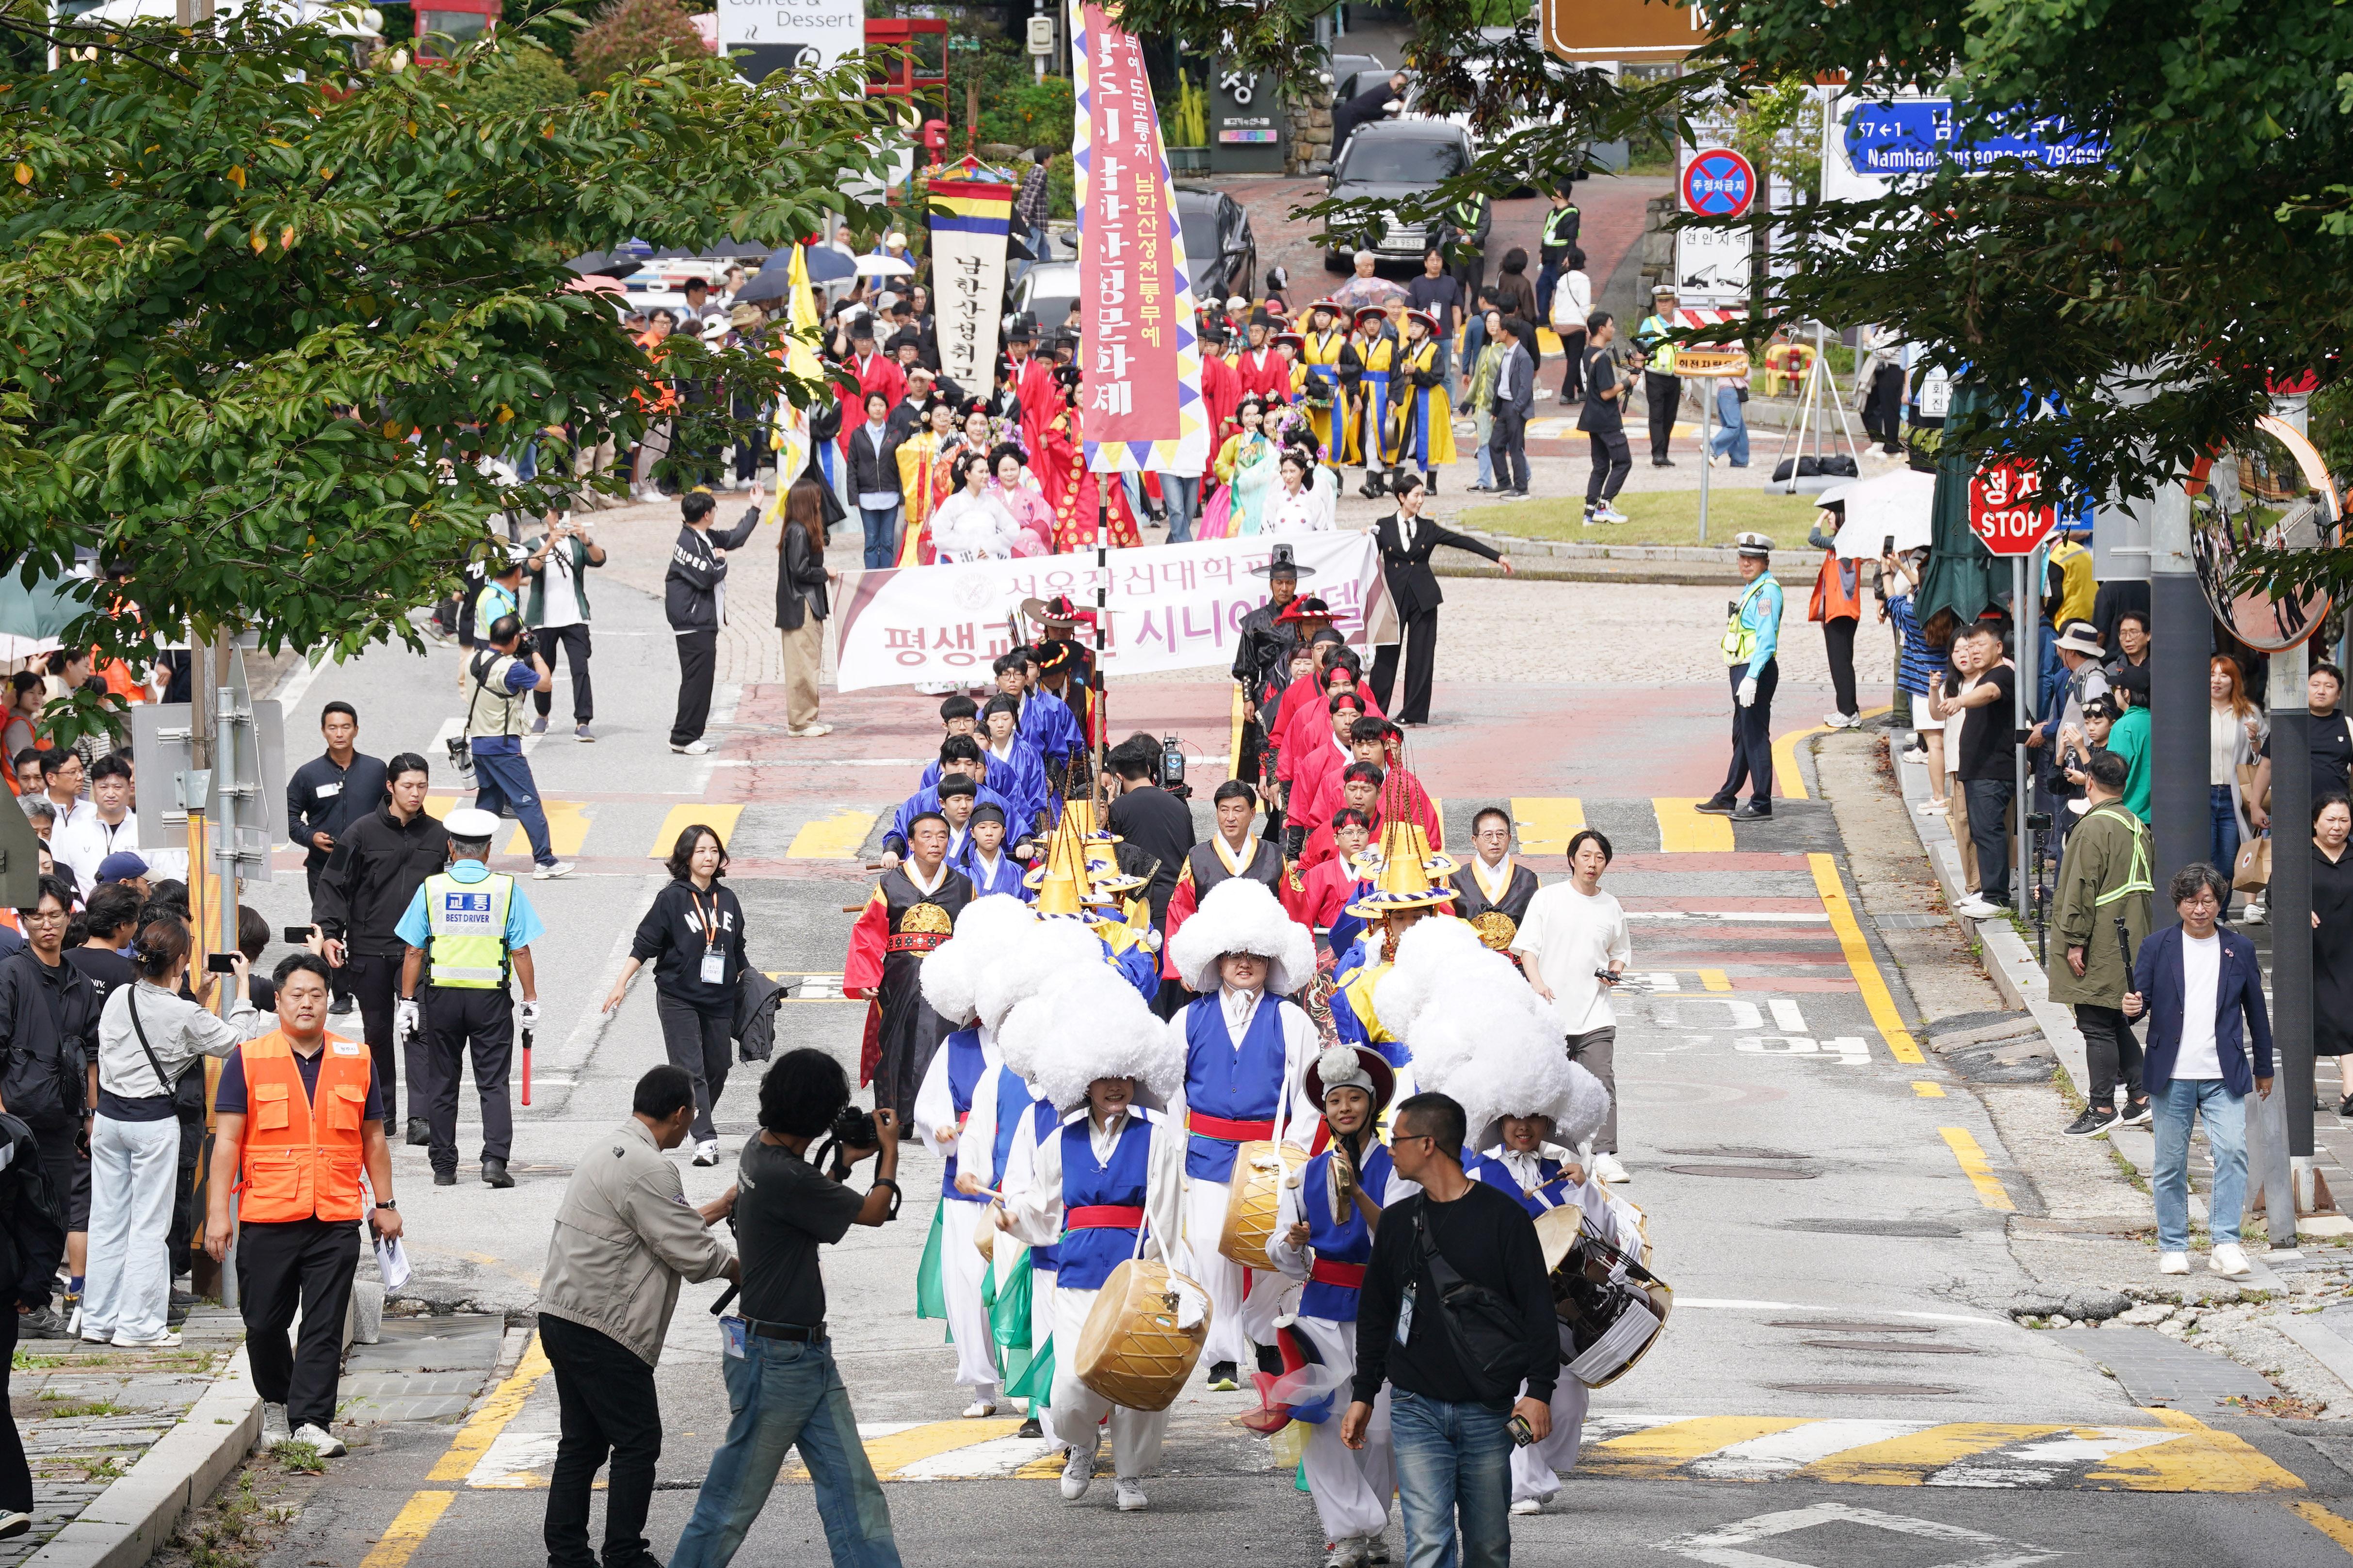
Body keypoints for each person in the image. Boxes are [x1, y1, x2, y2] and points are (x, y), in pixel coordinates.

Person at [669, 1051, 903, 1568]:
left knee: (855, 1495)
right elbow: (875, 1210)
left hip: (802, 1356)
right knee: (729, 1506)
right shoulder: (788, 1177)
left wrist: (842, 1163)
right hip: (776, 1362)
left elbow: (810, 1201)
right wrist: (888, 1152)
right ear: (822, 1116)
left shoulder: (760, 1151)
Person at [996, 973, 1187, 1514]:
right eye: (1104, 1076)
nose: (1116, 1086)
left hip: (1133, 1278)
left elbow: (1168, 1218)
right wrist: (1011, 1218)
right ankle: (1081, 1444)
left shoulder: (1158, 1141)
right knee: (1071, 1385)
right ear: (1083, 1080)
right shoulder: (1059, 1141)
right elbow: (1042, 1210)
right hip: (1076, 1276)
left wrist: (1154, 1279)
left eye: (1124, 1075)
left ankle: (1129, 1475)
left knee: (1135, 1382)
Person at [1343, 1091, 1557, 1568]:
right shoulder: (1398, 1223)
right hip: (1414, 1406)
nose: (1389, 1149)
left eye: (1396, 1139)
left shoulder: (1504, 1220)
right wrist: (1363, 1393)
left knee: (1487, 1545)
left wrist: (1539, 1391)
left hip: (1487, 1410)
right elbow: (1377, 1313)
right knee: (1428, 1542)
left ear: (1427, 1144)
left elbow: (1538, 1310)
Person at [537, 1065, 739, 1568]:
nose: (692, 1121)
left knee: (582, 1444)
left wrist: (720, 1205)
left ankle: (567, 1555)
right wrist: (744, 1271)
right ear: (679, 1114)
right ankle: (625, 1554)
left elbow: (662, 1225)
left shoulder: (610, 1148)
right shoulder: (651, 1168)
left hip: (563, 1315)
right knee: (637, 1439)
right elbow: (691, 1254)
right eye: (693, 1113)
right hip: (603, 1326)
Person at [205, 952, 403, 1456]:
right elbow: (226, 1142)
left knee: (322, 1324)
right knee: (264, 1323)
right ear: (278, 1001)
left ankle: (312, 1421)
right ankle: (276, 1401)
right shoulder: (249, 1059)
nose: (308, 1003)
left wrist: (386, 1204)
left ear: (328, 1001)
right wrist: (216, 1216)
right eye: (297, 994)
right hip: (268, 1214)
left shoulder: (356, 1059)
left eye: (317, 994)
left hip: (335, 1215)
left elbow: (373, 1140)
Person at [1163, 877, 1320, 1389]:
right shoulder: (1187, 1018)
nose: (1244, 963)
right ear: (1216, 959)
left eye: (1255, 954)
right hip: (1206, 1152)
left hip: (1270, 1153)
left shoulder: (1293, 1019)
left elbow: (1309, 1091)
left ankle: (1261, 1329)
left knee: (1276, 1252)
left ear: (1272, 959)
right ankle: (1223, 1354)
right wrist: (1175, 1145)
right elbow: (1171, 1090)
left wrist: (1294, 1150)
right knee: (1209, 1246)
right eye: (1233, 954)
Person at [82, 916, 255, 1348]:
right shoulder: (182, 1012)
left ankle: (99, 1320)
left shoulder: (121, 996)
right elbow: (236, 1042)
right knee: (148, 1225)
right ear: (180, 962)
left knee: (106, 1220)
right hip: (152, 1124)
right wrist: (245, 989)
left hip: (108, 1120)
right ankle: (139, 1326)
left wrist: (193, 999)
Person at [1268, 1043, 1404, 1567]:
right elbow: (1280, 1254)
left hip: (1382, 1307)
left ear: (1371, 1105)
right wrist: (1295, 1241)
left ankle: (1371, 1530)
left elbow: (1399, 1237)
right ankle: (1348, 1534)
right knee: (1324, 1421)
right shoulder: (1303, 1175)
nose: (1344, 1108)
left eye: (1353, 1099)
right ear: (1324, 1111)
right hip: (1321, 1306)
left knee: (1380, 1425)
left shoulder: (1395, 1168)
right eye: (1335, 1101)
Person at [2122, 863, 2272, 1280]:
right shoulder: (2157, 946)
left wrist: (2263, 1066)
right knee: (2170, 1163)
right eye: (2191, 901)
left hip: (2224, 1072)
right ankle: (2173, 1245)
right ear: (2179, 904)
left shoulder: (2238, 948)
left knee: (2232, 1151)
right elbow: (2141, 1002)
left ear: (2220, 902)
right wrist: (2132, 1008)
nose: (2200, 909)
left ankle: (2225, 1241)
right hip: (2172, 1074)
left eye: (2208, 901)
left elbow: (2256, 1013)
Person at [395, 807, 545, 1189]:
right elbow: (521, 951)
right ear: (488, 851)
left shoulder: (432, 889)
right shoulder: (506, 889)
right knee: (493, 1082)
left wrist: (408, 1001)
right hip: (491, 1001)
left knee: (442, 1081)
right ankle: (494, 1160)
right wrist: (529, 998)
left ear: (450, 847)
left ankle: (444, 1167)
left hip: (441, 998)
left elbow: (414, 951)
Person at [314, 754, 448, 1147]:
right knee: (376, 1033)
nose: (416, 793)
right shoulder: (361, 833)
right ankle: (383, 1111)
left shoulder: (439, 836)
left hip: (419, 953)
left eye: (422, 786)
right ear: (390, 786)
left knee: (419, 1031)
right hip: (369, 949)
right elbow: (333, 884)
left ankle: (420, 1117)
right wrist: (328, 933)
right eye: (408, 786)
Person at [603, 824, 750, 1168]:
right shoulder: (671, 899)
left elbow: (737, 949)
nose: (709, 857)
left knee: (719, 1067)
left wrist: (755, 985)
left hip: (719, 998)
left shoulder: (727, 899)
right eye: (700, 851)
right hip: (678, 996)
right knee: (691, 1069)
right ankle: (705, 1139)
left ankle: (688, 1118)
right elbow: (645, 944)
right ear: (686, 856)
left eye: (714, 850)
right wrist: (621, 982)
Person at [0, 876, 97, 1337]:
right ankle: (19, 1301)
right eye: (36, 916)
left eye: (54, 915)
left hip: (62, 1118)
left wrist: (91, 1115)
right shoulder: (11, 974)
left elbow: (94, 1053)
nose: (46, 925)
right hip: (15, 1118)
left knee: (55, 1212)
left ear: (69, 917)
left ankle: (33, 1300)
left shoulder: (79, 981)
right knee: (15, 1211)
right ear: (23, 920)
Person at [1512, 828, 1632, 1183]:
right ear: (1571, 859)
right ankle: (1540, 1148)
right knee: (1547, 1083)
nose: (1592, 864)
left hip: (1595, 1012)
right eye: (1586, 856)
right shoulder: (1548, 899)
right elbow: (1528, 949)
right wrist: (1537, 983)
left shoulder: (1611, 906)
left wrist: (1614, 972)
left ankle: (1606, 1155)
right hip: (1552, 1011)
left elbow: (1620, 952)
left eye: (1599, 858)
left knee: (1602, 1081)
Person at [2047, 752, 2153, 1137]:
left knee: (2095, 1022)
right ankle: (2141, 1098)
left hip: (2101, 938)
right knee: (2112, 1018)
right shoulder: (2137, 824)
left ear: (2089, 781)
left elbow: (2079, 888)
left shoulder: (2093, 828)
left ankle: (2102, 1106)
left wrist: (2075, 941)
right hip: (2131, 935)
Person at [844, 814, 973, 1128]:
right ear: (911, 843)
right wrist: (865, 978)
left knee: (941, 1041)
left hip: (946, 980)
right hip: (898, 979)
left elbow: (974, 936)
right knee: (895, 1043)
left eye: (942, 836)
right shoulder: (891, 883)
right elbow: (869, 932)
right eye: (927, 836)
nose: (935, 842)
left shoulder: (964, 886)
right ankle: (894, 1118)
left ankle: (939, 1116)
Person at [1370, 474, 1513, 726]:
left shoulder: (1428, 528)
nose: (1421, 500)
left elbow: (1462, 541)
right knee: (1386, 656)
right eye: (1416, 495)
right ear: (1402, 497)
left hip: (1424, 600)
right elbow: (1367, 551)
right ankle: (1375, 712)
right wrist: (1363, 536)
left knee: (1421, 656)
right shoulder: (1383, 526)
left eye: (1423, 495)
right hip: (1393, 599)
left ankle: (1411, 713)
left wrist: (1497, 556)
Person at [286, 703, 387, 1017]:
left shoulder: (376, 770)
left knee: (366, 927)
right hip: (323, 869)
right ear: (323, 731)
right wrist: (309, 836)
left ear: (356, 729)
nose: (339, 733)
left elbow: (390, 810)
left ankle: (373, 985)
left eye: (345, 727)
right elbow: (288, 817)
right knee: (329, 929)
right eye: (333, 727)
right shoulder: (308, 774)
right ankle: (340, 992)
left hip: (367, 868)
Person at [465, 615, 572, 879]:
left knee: (489, 804)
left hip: (479, 743)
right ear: (515, 639)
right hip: (503, 746)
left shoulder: (474, 659)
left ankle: (466, 858)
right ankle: (545, 861)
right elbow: (545, 683)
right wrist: (536, 652)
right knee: (528, 802)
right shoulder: (512, 669)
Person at [667, 489, 763, 756]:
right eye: (715, 510)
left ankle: (687, 734)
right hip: (693, 623)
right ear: (707, 514)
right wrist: (722, 561)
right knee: (697, 682)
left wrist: (754, 509)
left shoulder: (702, 536)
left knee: (699, 681)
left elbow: (735, 537)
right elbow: (710, 577)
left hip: (701, 623)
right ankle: (684, 737)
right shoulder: (690, 544)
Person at [1161, 781, 1286, 985]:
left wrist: (1295, 963)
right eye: (1224, 810)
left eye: (1238, 810)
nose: (1230, 818)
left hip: (1263, 963)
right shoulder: (1198, 856)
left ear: (1253, 814)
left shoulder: (1274, 855)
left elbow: (1294, 908)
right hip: (1211, 962)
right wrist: (1183, 966)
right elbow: (1181, 910)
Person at [1696, 533, 1784, 819]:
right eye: (1743, 558)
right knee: (1742, 735)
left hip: (1754, 670)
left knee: (1755, 735)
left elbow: (1766, 640)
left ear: (1765, 561)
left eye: (1754, 559)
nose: (1747, 563)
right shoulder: (1753, 588)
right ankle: (1728, 795)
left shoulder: (1766, 593)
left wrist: (1753, 677)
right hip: (1744, 670)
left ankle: (1761, 803)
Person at [1949, 623, 2020, 918]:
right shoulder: (1986, 675)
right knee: (1981, 832)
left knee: (1990, 832)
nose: (1974, 651)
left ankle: (1997, 897)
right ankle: (1987, 890)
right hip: (1978, 770)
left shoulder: (2002, 674)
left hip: (1993, 771)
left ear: (1999, 647)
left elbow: (1990, 694)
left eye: (1980, 645)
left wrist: (1961, 700)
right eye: (1970, 646)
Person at [1233, 545, 1313, 806]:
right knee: (1266, 743)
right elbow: (1246, 666)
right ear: (1271, 585)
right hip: (1268, 692)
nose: (1285, 588)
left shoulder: (1304, 617)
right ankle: (1268, 790)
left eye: (1290, 582)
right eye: (1279, 582)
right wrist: (1248, 699)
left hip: (1301, 688)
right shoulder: (1254, 621)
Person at [522, 510, 607, 742]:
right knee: (542, 669)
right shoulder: (535, 543)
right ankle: (542, 715)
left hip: (575, 618)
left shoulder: (577, 543)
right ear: (545, 517)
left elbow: (599, 560)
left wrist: (586, 540)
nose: (558, 517)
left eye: (562, 513)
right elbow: (530, 568)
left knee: (580, 669)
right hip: (544, 620)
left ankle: (583, 722)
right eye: (553, 513)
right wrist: (549, 543)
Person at [1104, 736, 1197, 928]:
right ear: (1148, 769)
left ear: (1119, 778)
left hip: (1141, 907)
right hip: (1178, 904)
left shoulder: (1120, 808)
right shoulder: (1179, 805)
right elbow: (1192, 856)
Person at [776, 476, 836, 739]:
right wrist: (825, 572)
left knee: (806, 663)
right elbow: (800, 570)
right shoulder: (799, 530)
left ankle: (806, 718)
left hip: (803, 603)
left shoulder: (796, 529)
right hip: (802, 604)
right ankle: (802, 721)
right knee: (803, 665)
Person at [48, 753, 143, 900]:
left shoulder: (143, 830)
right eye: (104, 787)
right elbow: (62, 881)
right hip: (86, 917)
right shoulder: (73, 834)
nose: (110, 794)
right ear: (93, 788)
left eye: (118, 787)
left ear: (129, 788)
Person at [1449, 808, 1539, 954]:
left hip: (1517, 966)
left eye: (1501, 835)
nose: (1495, 841)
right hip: (1468, 963)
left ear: (1509, 838)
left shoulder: (1529, 880)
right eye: (1488, 835)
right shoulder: (1454, 880)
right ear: (1475, 840)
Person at [1807, 510, 1865, 729]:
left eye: (1832, 514)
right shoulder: (1843, 542)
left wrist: (1819, 517)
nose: (1829, 517)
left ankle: (1848, 712)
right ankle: (1847, 709)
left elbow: (1813, 538)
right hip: (1838, 612)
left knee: (1841, 664)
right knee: (1841, 663)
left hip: (1842, 613)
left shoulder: (1845, 542)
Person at [2313, 795, 2353, 1110]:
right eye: (2331, 819)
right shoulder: (2300, 856)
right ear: (2315, 821)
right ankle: (2305, 1089)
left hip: (2348, 949)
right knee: (2311, 1016)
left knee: (2347, 1013)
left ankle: (2350, 1091)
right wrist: (2298, 910)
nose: (2337, 827)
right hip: (2311, 950)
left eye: (2344, 820)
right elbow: (2275, 895)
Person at [2208, 654, 2265, 874]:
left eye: (2224, 675)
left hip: (2235, 795)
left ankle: (2221, 910)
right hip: (2205, 794)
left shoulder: (2249, 713)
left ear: (2234, 681)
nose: (2217, 680)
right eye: (2212, 675)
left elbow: (2265, 758)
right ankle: (2212, 908)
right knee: (2208, 857)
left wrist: (2255, 740)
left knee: (2230, 860)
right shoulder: (2194, 711)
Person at [1577, 312, 1630, 523]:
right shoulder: (1602, 358)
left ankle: (1589, 512)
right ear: (1601, 329)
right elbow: (1607, 393)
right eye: (1611, 325)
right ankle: (1604, 505)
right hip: (1607, 418)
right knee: (1623, 461)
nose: (1613, 329)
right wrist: (1628, 382)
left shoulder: (1586, 354)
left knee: (1600, 465)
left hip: (1592, 417)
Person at [847, 389, 903, 570]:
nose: (878, 409)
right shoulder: (858, 434)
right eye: (874, 405)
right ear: (867, 408)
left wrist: (903, 494)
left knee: (887, 540)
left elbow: (903, 466)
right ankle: (871, 576)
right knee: (871, 541)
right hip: (867, 496)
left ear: (886, 408)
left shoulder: (895, 434)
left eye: (881, 405)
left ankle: (886, 575)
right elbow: (852, 466)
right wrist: (853, 496)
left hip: (891, 495)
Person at [1487, 316, 1534, 500]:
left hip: (1515, 408)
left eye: (1499, 329)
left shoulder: (1523, 356)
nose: (1496, 331)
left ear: (1506, 332)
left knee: (1515, 448)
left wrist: (1517, 408)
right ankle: (1504, 481)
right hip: (1504, 406)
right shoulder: (1507, 353)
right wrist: (1496, 410)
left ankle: (1522, 487)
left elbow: (1525, 386)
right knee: (1495, 444)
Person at [1634, 285, 1682, 466]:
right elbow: (1641, 349)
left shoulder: (1681, 323)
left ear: (1673, 302)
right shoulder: (1650, 323)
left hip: (1675, 376)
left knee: (1670, 416)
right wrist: (1637, 373)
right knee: (1657, 415)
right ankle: (1658, 454)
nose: (1663, 305)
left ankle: (1664, 452)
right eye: (1660, 301)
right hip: (1655, 375)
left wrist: (1691, 379)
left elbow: (1687, 351)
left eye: (1667, 301)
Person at [1549, 249, 1591, 404]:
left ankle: (1581, 391)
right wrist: (1588, 328)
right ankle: (1567, 394)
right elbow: (1585, 306)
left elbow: (1557, 303)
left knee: (1573, 358)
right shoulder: (1584, 280)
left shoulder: (1562, 280)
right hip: (1577, 325)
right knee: (1575, 360)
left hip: (1561, 324)